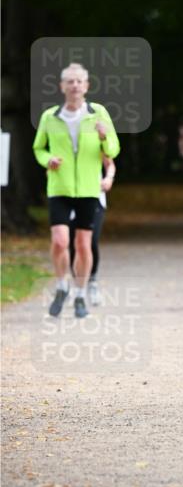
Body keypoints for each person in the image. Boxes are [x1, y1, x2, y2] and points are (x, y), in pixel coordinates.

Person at [32, 62, 120, 318]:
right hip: (59, 186)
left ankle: (80, 294)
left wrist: (105, 137)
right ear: (62, 87)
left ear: (87, 86)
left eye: (79, 81)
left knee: (83, 245)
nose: (74, 86)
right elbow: (38, 148)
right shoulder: (50, 116)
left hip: (89, 189)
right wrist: (47, 159)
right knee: (60, 241)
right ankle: (62, 286)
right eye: (69, 81)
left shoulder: (98, 113)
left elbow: (114, 150)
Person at [68, 155, 116, 306]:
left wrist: (109, 178)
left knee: (91, 241)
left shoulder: (94, 136)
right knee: (73, 243)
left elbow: (110, 164)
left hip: (94, 196)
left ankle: (92, 280)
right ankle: (78, 284)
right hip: (69, 196)